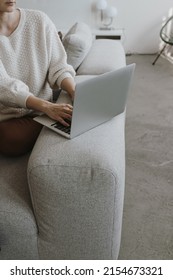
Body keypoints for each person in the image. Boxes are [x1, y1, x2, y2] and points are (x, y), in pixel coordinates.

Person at [0, 0, 76, 157]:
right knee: (10, 138)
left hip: (42, 111)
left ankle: (57, 127)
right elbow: (3, 86)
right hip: (8, 118)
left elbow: (59, 67)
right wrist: (47, 107)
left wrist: (74, 91)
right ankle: (57, 128)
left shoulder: (40, 20)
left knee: (71, 116)